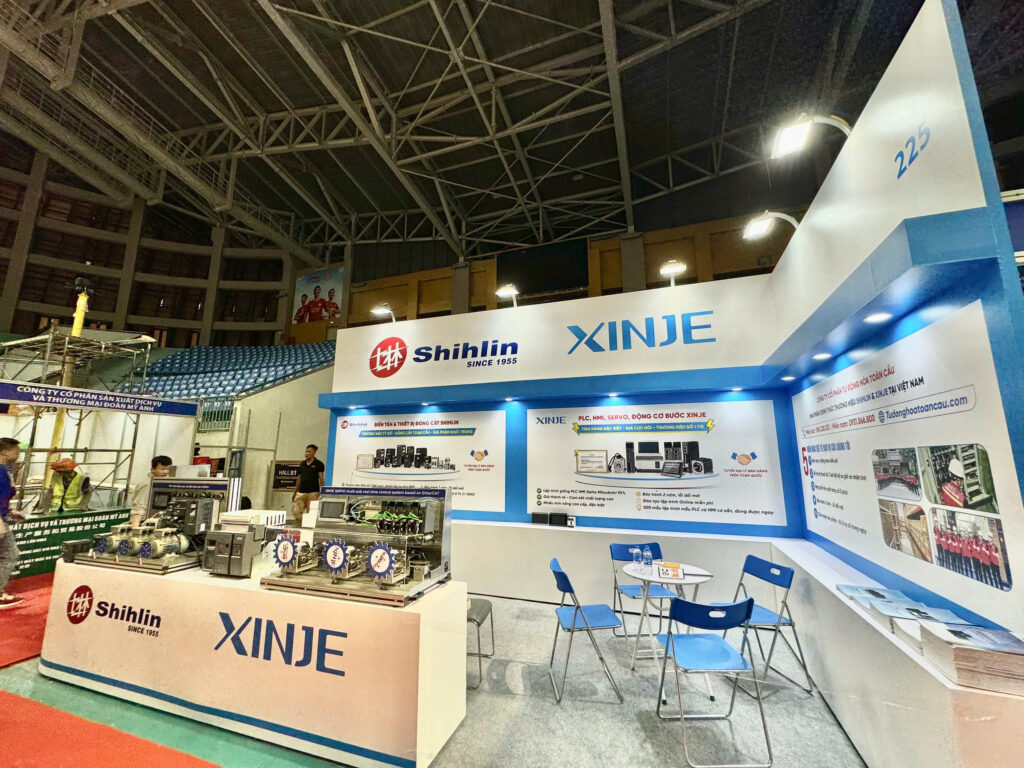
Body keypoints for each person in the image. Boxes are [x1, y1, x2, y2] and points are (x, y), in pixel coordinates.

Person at [0, 437, 25, 609]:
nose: (18, 453)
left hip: (3, 516)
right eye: (15, 450)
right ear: (4, 451)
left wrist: (9, 511)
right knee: (9, 554)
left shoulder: (5, 470)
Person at [129, 455, 173, 527]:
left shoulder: (165, 483)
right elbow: (138, 508)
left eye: (168, 469)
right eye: (162, 469)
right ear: (153, 469)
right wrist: (135, 528)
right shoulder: (147, 485)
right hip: (144, 522)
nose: (166, 472)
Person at [291, 444, 324, 523]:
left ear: (314, 453)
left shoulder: (319, 464)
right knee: (296, 511)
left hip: (313, 493)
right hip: (301, 492)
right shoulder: (302, 464)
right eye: (306, 451)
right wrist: (295, 492)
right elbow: (299, 478)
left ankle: (308, 526)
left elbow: (321, 478)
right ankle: (301, 524)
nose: (306, 453)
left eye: (309, 452)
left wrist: (321, 492)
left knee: (311, 513)